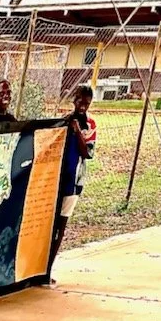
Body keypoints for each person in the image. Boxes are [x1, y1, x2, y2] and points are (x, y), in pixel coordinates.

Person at [57, 84, 98, 260]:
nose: (82, 105)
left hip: (74, 181)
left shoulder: (90, 124)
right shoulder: (64, 120)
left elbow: (87, 153)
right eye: (80, 101)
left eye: (86, 103)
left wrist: (78, 132)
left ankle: (49, 268)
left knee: (62, 223)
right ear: (74, 99)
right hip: (58, 178)